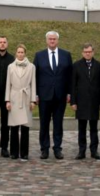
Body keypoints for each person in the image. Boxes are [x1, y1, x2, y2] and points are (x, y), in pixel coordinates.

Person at [34, 30, 72, 159]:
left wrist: (69, 92)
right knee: (44, 123)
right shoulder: (39, 55)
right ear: (46, 40)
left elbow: (70, 76)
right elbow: (35, 76)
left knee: (58, 123)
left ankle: (57, 148)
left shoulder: (66, 55)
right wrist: (36, 94)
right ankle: (44, 149)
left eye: (54, 39)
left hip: (60, 95)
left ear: (57, 40)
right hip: (44, 96)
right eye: (50, 39)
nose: (52, 41)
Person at [70, 43, 100, 160]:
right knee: (82, 128)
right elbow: (73, 85)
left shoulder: (99, 66)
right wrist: (73, 102)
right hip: (81, 102)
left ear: (93, 52)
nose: (87, 54)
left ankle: (94, 151)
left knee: (94, 128)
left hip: (94, 101)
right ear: (82, 53)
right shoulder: (76, 65)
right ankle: (81, 151)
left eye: (89, 52)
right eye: (85, 52)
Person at [5, 44, 36, 161]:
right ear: (16, 53)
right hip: (14, 98)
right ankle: (14, 152)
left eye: (22, 52)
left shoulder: (31, 67)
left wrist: (33, 100)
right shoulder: (10, 66)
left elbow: (33, 84)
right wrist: (7, 100)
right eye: (18, 52)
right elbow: (8, 84)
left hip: (26, 97)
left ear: (25, 53)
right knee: (14, 126)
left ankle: (24, 153)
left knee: (25, 127)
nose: (20, 54)